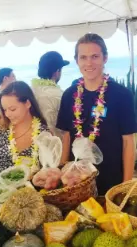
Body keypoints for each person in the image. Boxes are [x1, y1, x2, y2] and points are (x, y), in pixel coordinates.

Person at [56, 33, 137, 195]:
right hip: (76, 181)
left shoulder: (122, 95)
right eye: (83, 57)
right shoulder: (69, 95)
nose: (89, 63)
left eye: (95, 56)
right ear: (77, 60)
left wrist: (126, 186)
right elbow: (66, 136)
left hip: (111, 179)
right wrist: (62, 174)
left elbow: (128, 142)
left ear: (105, 58)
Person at [32, 51, 70, 141]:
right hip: (56, 146)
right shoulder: (61, 95)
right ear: (57, 72)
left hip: (32, 145)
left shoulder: (29, 91)